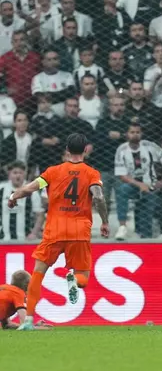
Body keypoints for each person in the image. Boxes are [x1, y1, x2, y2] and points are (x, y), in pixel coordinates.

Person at [8, 133, 109, 331]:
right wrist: (104, 221)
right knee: (83, 278)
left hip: (54, 230)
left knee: (37, 273)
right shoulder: (91, 173)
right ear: (86, 150)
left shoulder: (52, 172)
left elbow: (30, 188)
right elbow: (98, 197)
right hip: (79, 230)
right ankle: (73, 279)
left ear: (67, 150)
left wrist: (13, 196)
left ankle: (28, 320)